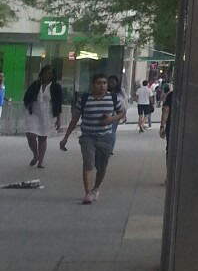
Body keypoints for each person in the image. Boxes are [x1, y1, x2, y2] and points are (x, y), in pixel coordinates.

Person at [60, 71, 123, 203]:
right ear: (93, 85)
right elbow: (74, 119)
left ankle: (96, 188)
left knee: (102, 167)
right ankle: (88, 193)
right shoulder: (84, 99)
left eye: (104, 83)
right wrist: (65, 138)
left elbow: (122, 112)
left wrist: (112, 119)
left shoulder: (112, 98)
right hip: (88, 137)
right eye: (99, 83)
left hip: (105, 137)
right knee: (88, 163)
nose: (102, 86)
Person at [22, 65, 63, 168]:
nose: (47, 75)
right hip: (34, 113)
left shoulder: (55, 87)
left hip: (47, 114)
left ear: (53, 75)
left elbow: (58, 103)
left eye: (50, 73)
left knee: (42, 137)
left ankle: (41, 161)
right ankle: (35, 154)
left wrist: (58, 119)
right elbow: (27, 97)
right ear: (41, 73)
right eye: (45, 72)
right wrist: (28, 105)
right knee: (30, 135)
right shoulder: (36, 84)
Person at [106, 74, 127, 154]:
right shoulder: (105, 91)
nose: (112, 84)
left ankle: (110, 148)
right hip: (107, 113)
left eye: (113, 82)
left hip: (116, 114)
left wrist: (124, 114)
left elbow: (124, 103)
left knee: (112, 131)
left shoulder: (120, 91)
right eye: (110, 82)